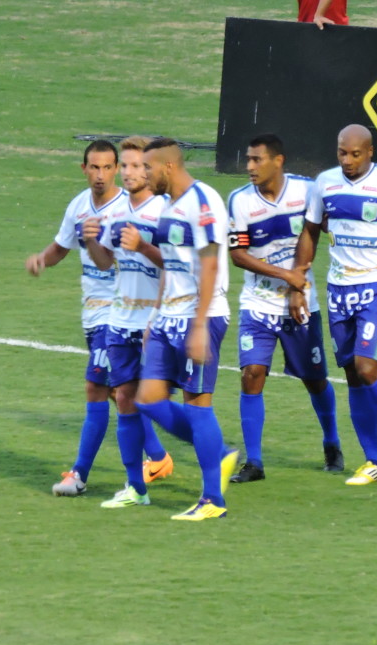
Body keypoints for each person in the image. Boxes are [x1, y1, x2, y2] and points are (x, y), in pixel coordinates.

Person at [25, 140, 171, 497]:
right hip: (92, 312)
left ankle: (79, 474)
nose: (101, 175)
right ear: (84, 169)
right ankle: (158, 456)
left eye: (108, 167)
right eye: (94, 167)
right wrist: (42, 260)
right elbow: (61, 246)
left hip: (119, 312)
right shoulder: (78, 207)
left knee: (97, 386)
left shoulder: (130, 205)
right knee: (119, 392)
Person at [292, 125, 377, 487]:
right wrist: (298, 280)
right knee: (352, 372)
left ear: (370, 152)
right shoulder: (324, 183)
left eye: (355, 154)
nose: (348, 161)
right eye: (342, 153)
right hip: (339, 289)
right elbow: (310, 231)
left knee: (368, 366)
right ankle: (372, 460)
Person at [226, 134, 343, 483]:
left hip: (302, 303)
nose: (249, 167)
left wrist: (297, 286)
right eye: (247, 159)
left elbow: (322, 232)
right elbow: (238, 255)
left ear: (278, 161)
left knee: (315, 379)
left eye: (256, 160)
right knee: (251, 375)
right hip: (258, 303)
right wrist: (285, 275)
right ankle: (254, 462)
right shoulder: (239, 201)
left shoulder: (307, 192)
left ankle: (332, 442)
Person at [134, 138, 239, 522]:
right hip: (168, 317)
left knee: (198, 406)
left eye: (148, 168)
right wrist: (154, 316)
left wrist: (197, 326)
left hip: (201, 315)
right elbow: (171, 266)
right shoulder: (168, 206)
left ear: (168, 167)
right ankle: (219, 452)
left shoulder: (204, 200)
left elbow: (209, 265)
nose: (143, 175)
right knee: (147, 399)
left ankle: (213, 500)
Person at [83, 136, 175, 508]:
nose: (131, 172)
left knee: (163, 400)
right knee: (123, 397)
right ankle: (136, 487)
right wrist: (91, 242)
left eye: (139, 166)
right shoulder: (116, 214)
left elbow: (178, 264)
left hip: (158, 322)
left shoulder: (167, 211)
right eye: (127, 166)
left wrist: (143, 247)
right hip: (120, 319)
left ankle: (214, 456)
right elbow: (107, 263)